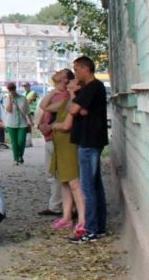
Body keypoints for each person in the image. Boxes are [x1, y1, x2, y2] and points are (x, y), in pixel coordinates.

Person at [66, 56, 109, 243]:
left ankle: (90, 229)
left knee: (87, 187)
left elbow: (74, 110)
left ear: (85, 68)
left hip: (89, 142)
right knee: (95, 185)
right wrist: (77, 101)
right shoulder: (90, 89)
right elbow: (80, 110)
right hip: (90, 141)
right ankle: (99, 227)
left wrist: (72, 94)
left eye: (76, 69)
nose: (75, 73)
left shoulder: (93, 87)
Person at [47, 73, 87, 236]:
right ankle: (67, 216)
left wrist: (54, 125)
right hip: (60, 147)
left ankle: (83, 220)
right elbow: (46, 106)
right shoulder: (66, 101)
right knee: (64, 182)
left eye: (73, 80)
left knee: (74, 183)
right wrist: (53, 92)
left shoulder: (77, 101)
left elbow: (66, 125)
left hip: (70, 146)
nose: (70, 81)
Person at [34, 72, 66, 216]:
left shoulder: (66, 95)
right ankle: (55, 204)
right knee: (51, 174)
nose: (56, 74)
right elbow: (42, 107)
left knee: (56, 174)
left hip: (57, 138)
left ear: (66, 79)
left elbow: (47, 108)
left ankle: (58, 206)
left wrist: (49, 126)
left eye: (61, 73)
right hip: (49, 137)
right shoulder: (55, 93)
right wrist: (40, 125)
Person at [3, 82, 31, 165]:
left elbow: (27, 111)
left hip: (22, 123)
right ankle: (16, 159)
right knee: (14, 142)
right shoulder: (6, 99)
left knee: (21, 141)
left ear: (15, 89)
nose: (11, 91)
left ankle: (20, 155)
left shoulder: (23, 98)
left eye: (12, 89)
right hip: (11, 123)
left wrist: (31, 121)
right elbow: (9, 110)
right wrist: (11, 100)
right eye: (9, 90)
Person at [23, 82, 37, 148]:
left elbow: (29, 101)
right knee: (26, 126)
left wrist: (24, 101)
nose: (25, 87)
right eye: (24, 86)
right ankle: (28, 141)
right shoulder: (24, 94)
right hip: (25, 112)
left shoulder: (33, 93)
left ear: (29, 86)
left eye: (26, 86)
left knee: (28, 126)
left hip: (31, 112)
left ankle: (29, 142)